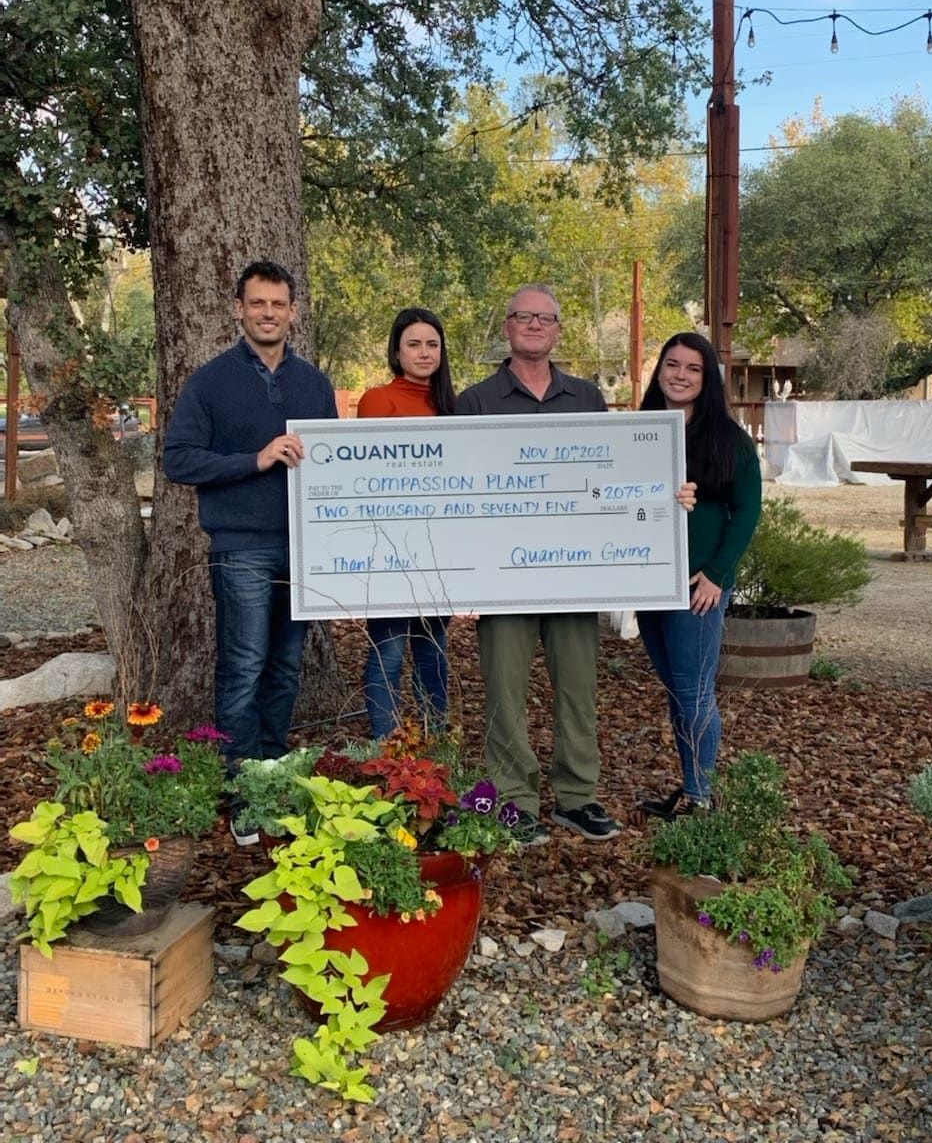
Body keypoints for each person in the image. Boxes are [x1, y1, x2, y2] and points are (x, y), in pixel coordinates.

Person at [163, 259, 338, 845]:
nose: (268, 313)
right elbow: (180, 459)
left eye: (278, 304)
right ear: (238, 309)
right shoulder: (208, 383)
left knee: (287, 668)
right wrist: (255, 460)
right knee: (242, 667)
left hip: (304, 548)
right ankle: (241, 789)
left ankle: (274, 775)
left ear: (293, 312)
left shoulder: (313, 383)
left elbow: (335, 465)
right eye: (257, 303)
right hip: (242, 548)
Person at [454, 283, 620, 846]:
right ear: (507, 327)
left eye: (544, 318)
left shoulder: (587, 397)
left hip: (573, 572)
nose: (533, 325)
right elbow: (459, 490)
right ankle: (513, 798)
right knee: (505, 690)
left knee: (578, 687)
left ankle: (577, 796)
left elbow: (611, 478)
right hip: (504, 578)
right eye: (523, 316)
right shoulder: (475, 402)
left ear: (558, 330)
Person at [636, 332, 762, 818]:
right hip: (650, 582)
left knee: (694, 692)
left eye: (693, 368)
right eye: (672, 365)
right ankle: (690, 787)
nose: (681, 375)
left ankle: (701, 795)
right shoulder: (642, 431)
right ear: (660, 370)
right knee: (677, 691)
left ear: (706, 378)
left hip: (697, 586)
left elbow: (746, 511)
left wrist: (716, 574)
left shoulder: (729, 440)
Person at [357, 307, 456, 738]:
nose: (424, 352)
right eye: (413, 344)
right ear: (397, 351)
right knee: (390, 652)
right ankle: (386, 747)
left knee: (433, 652)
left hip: (440, 549)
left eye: (432, 344)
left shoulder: (454, 405)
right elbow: (365, 476)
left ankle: (435, 744)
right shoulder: (378, 400)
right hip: (390, 549)